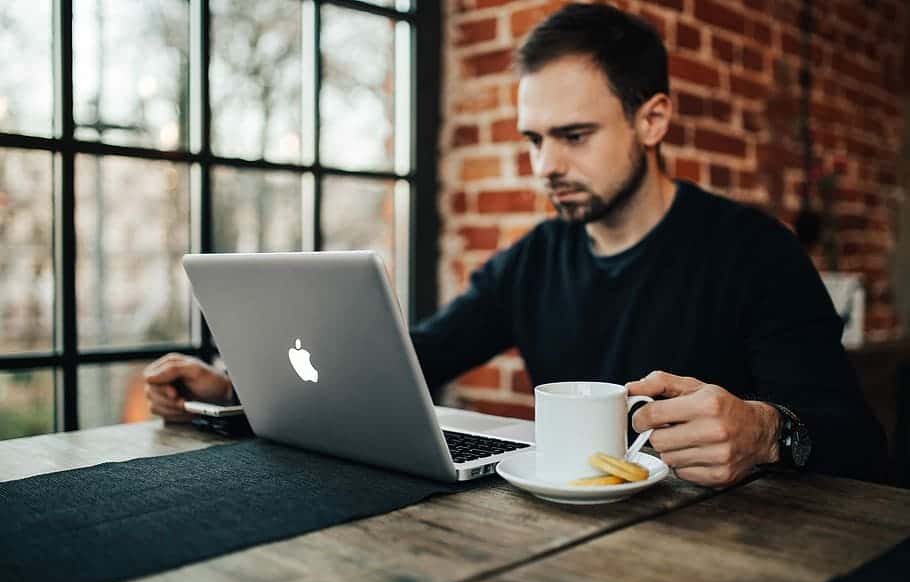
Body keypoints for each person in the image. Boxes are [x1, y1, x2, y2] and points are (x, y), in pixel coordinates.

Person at [145, 3, 887, 486]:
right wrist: (238, 381)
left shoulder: (756, 253)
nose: (546, 166)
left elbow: (860, 445)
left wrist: (763, 430)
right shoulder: (531, 262)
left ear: (653, 119)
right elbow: (409, 358)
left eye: (573, 136)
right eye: (533, 140)